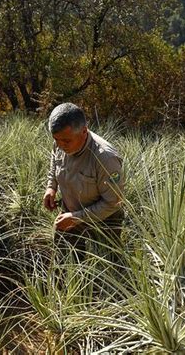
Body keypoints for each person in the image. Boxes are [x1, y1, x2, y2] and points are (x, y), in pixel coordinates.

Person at [43, 103, 124, 261]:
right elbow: (55, 160)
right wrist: (51, 187)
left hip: (104, 219)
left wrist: (76, 218)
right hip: (69, 212)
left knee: (108, 267)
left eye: (66, 141)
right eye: (56, 140)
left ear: (84, 131)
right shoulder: (60, 140)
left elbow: (113, 202)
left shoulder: (105, 158)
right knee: (65, 262)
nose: (60, 145)